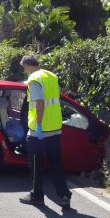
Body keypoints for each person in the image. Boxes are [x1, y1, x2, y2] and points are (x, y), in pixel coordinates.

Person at [19, 55, 72, 209]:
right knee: (56, 164)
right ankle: (64, 196)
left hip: (38, 131)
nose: (25, 71)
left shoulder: (34, 79)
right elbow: (55, 99)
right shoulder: (51, 76)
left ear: (28, 66)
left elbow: (40, 102)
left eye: (24, 68)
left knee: (36, 166)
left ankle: (37, 196)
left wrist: (40, 125)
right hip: (55, 128)